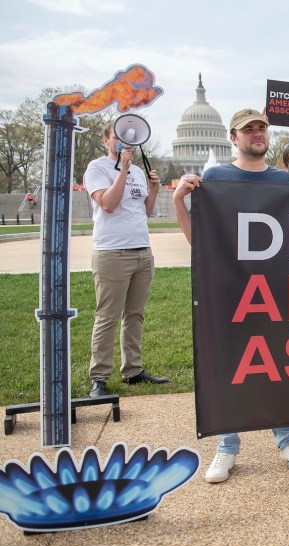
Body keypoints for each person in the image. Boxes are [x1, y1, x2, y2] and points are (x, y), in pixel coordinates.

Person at [172, 108, 289, 483]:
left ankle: (287, 439)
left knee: (278, 366)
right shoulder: (216, 177)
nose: (257, 134)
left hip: (276, 292)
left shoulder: (283, 181)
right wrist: (177, 203)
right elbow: (201, 243)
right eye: (248, 130)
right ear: (233, 138)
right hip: (232, 291)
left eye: (261, 128)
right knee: (231, 368)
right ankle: (227, 446)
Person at [84, 121, 168, 398]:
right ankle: (99, 377)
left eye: (128, 139)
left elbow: (142, 212)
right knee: (107, 316)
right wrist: (121, 169)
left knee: (135, 314)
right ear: (106, 140)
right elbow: (108, 204)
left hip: (141, 250)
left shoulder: (138, 173)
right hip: (112, 252)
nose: (123, 143)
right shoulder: (97, 168)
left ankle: (132, 370)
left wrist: (153, 190)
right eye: (117, 138)